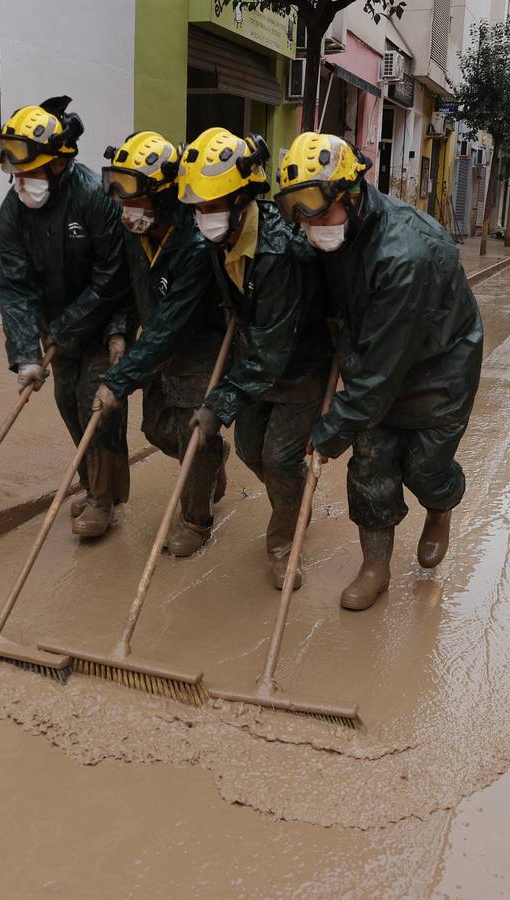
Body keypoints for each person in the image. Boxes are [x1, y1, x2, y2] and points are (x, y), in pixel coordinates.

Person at [275, 133, 484, 611]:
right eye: (300, 215)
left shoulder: (404, 254)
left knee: (423, 468)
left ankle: (442, 502)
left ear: (351, 196)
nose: (310, 227)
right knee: (370, 464)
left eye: (319, 213)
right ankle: (376, 566)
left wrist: (328, 432)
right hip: (373, 353)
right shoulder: (332, 228)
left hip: (439, 367)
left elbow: (378, 379)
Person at [176, 127, 333, 590]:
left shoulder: (279, 249)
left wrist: (216, 405)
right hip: (254, 362)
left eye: (212, 205)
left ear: (242, 198)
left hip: (298, 366)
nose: (203, 216)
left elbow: (273, 348)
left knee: (280, 458)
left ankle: (284, 542)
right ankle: (296, 501)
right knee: (248, 449)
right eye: (198, 207)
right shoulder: (218, 238)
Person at [0, 96, 132, 538]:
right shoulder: (14, 209)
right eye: (14, 172)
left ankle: (104, 502)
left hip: (102, 323)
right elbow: (13, 283)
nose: (20, 181)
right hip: (59, 333)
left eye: (29, 171)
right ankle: (92, 488)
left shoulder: (92, 197)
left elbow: (113, 274)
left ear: (58, 164)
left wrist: (76, 328)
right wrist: (25, 352)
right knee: (70, 408)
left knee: (99, 411)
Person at [93, 131, 230, 557]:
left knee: (194, 436)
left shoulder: (193, 244)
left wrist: (119, 381)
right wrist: (118, 331)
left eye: (133, 192)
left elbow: (173, 325)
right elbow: (124, 291)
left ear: (164, 194)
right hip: (156, 349)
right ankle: (212, 461)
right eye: (118, 189)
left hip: (198, 349)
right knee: (155, 430)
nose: (123, 203)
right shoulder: (137, 234)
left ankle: (196, 520)